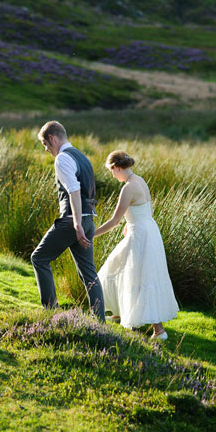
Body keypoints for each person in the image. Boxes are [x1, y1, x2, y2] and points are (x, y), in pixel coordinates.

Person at [94, 151, 179, 339]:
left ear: (116, 167)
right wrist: (130, 223)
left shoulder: (128, 188)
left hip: (140, 235)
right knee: (116, 266)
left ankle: (159, 330)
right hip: (148, 229)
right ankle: (119, 312)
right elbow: (147, 209)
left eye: (111, 171)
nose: (112, 175)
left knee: (142, 277)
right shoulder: (139, 180)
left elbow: (115, 220)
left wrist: (93, 233)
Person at [31, 121, 105, 321]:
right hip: (90, 219)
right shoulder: (83, 157)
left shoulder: (62, 158)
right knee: (89, 274)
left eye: (45, 145)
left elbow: (73, 190)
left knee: (39, 258)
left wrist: (77, 225)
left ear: (52, 138)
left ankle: (51, 313)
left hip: (74, 221)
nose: (46, 149)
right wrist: (83, 223)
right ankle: (100, 323)